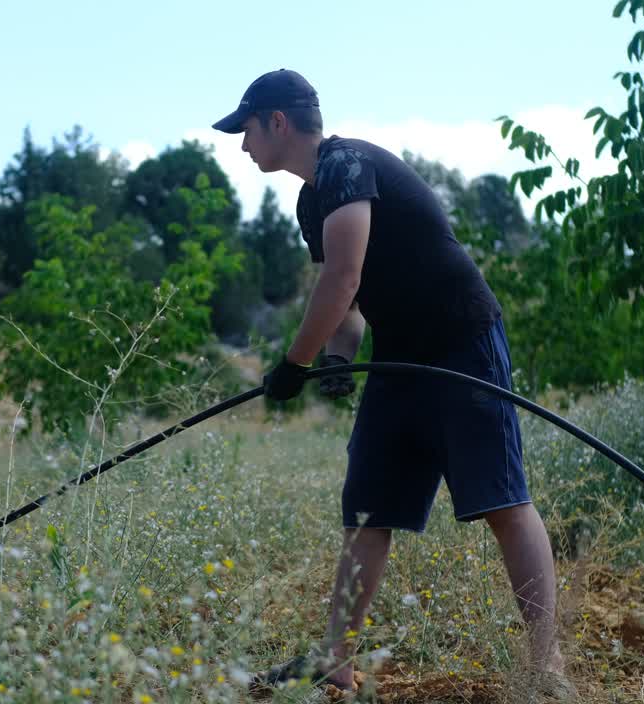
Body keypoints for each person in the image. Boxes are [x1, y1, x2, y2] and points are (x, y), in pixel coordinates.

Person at [211, 69, 574, 699]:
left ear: (277, 122)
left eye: (245, 129)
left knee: (502, 501)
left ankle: (548, 665)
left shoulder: (348, 166)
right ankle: (335, 659)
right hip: (399, 358)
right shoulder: (309, 200)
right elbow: (348, 308)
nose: (242, 146)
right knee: (368, 510)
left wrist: (292, 363)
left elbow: (344, 278)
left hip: (462, 342)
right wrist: (331, 359)